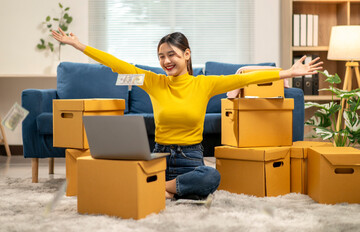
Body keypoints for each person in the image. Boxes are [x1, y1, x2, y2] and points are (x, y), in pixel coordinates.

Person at [52, 29, 323, 200]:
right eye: (161, 56)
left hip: (191, 159)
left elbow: (250, 76)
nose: (166, 61)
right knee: (116, 172)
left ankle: (160, 188)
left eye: (172, 54)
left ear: (187, 54)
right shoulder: (153, 82)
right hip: (159, 156)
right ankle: (171, 187)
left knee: (212, 177)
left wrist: (289, 72)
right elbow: (117, 64)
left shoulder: (204, 84)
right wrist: (79, 46)